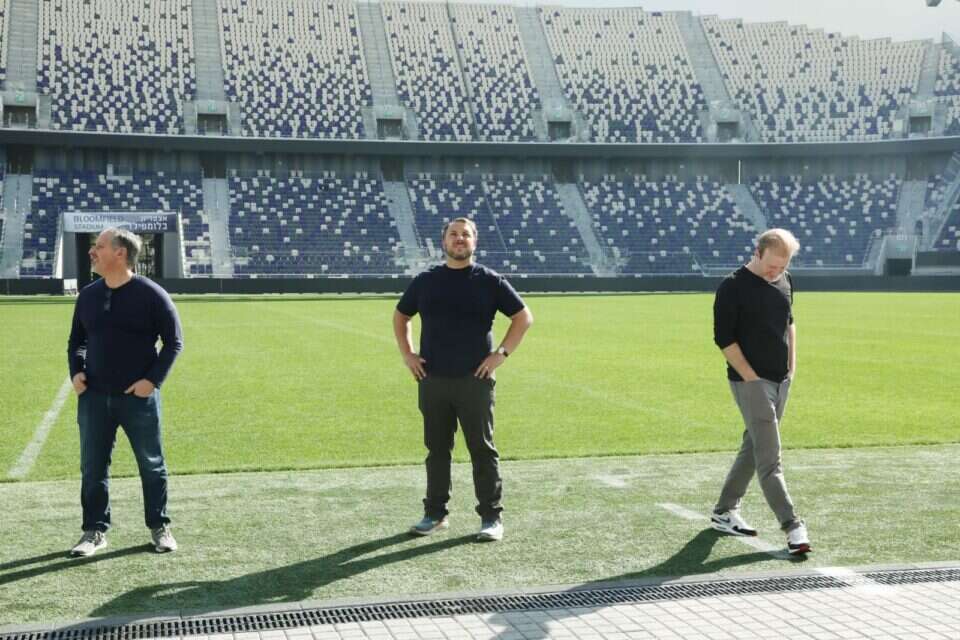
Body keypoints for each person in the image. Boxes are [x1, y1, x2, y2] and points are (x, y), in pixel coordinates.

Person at [394, 217, 533, 542]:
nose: (460, 239)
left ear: (474, 241)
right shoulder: (426, 281)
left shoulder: (490, 281)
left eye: (466, 234)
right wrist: (408, 354)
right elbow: (401, 316)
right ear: (444, 241)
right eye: (454, 234)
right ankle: (435, 514)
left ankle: (491, 517)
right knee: (437, 450)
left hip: (475, 381)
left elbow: (523, 317)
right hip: (433, 379)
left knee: (482, 449)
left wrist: (500, 354)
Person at [67, 227, 183, 557]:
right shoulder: (88, 295)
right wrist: (76, 371)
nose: (92, 251)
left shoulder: (151, 294)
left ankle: (159, 526)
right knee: (92, 468)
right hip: (94, 398)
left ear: (120, 253)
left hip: (138, 399)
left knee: (151, 464)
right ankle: (94, 531)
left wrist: (152, 381)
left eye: (99, 246)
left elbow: (174, 342)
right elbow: (77, 341)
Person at [710, 228, 811, 555]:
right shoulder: (732, 287)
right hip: (750, 383)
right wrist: (752, 379)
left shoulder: (785, 280)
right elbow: (724, 340)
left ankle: (724, 511)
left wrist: (792, 369)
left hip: (782, 381)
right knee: (770, 458)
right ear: (757, 252)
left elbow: (789, 323)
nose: (775, 272)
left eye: (782, 267)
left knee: (754, 445)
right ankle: (793, 527)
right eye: (771, 266)